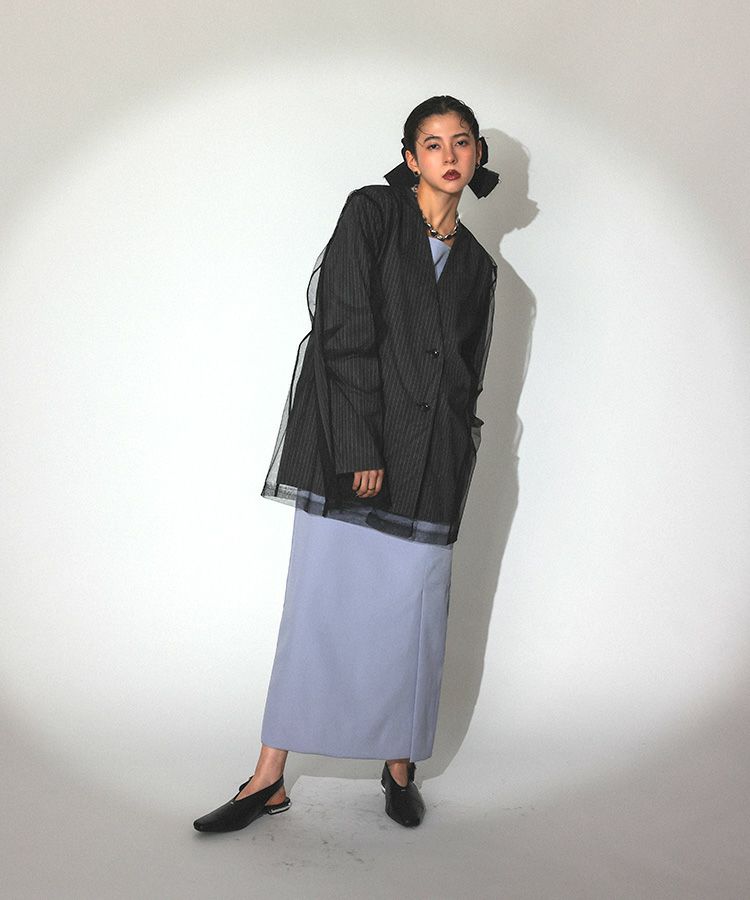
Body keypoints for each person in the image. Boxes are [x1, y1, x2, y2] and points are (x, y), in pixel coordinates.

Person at [193, 95, 500, 833]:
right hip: (351, 448)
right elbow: (342, 326)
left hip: (431, 464)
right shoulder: (372, 213)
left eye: (462, 142)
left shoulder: (479, 266)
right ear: (410, 157)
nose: (449, 155)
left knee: (414, 616)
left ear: (476, 156)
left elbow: (465, 376)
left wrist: (453, 455)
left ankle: (399, 768)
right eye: (433, 143)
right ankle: (268, 777)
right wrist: (360, 444)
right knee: (319, 607)